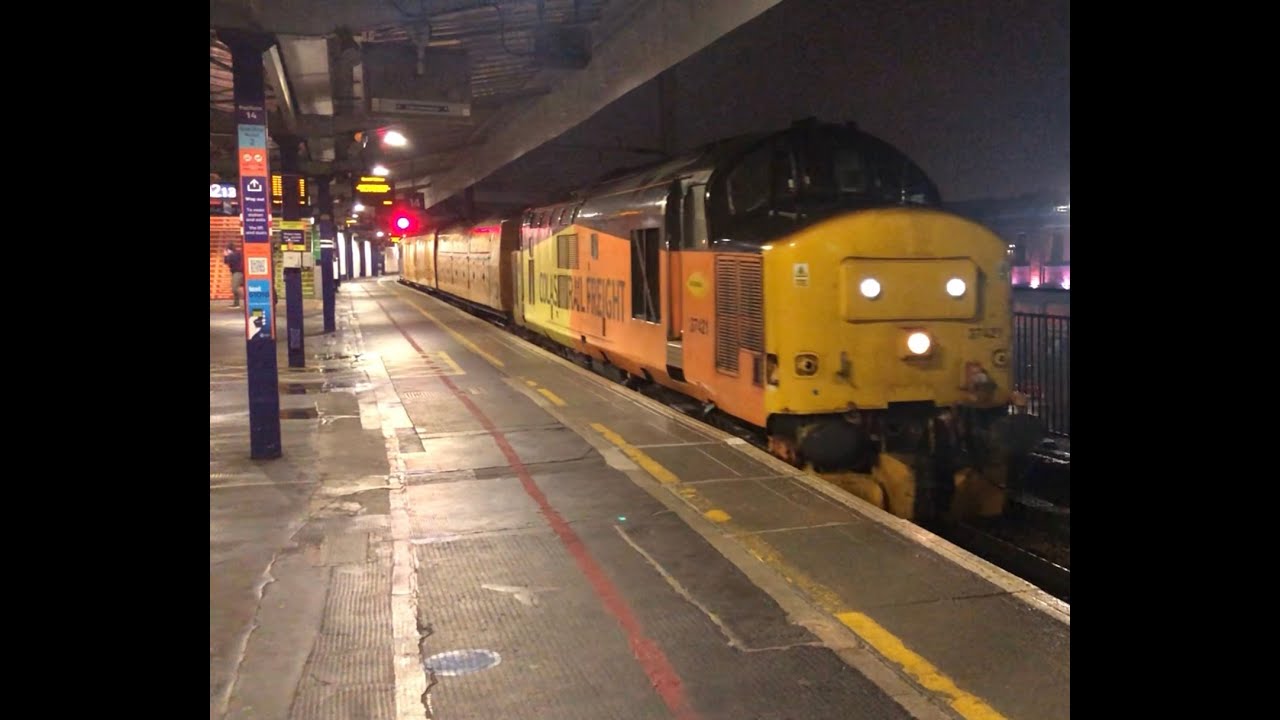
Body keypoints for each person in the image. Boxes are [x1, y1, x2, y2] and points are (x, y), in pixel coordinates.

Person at [223, 243, 244, 308]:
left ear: (229, 249)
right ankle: (236, 304)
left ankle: (246, 297)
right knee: (236, 287)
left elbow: (226, 261)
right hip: (238, 272)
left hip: (238, 272)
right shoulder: (237, 253)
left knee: (234, 288)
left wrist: (225, 255)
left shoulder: (233, 254)